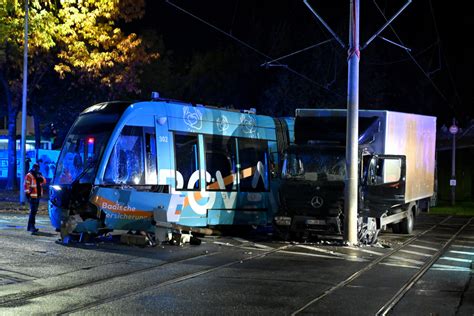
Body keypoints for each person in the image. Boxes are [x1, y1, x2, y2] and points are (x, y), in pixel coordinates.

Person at [24, 163, 47, 234]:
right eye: (36, 168)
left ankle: (29, 227)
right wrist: (28, 194)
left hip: (37, 195)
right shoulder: (29, 175)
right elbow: (26, 185)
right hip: (32, 196)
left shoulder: (38, 174)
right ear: (33, 168)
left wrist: (40, 176)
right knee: (33, 212)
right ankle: (32, 227)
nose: (37, 169)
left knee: (34, 212)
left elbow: (44, 182)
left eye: (38, 168)